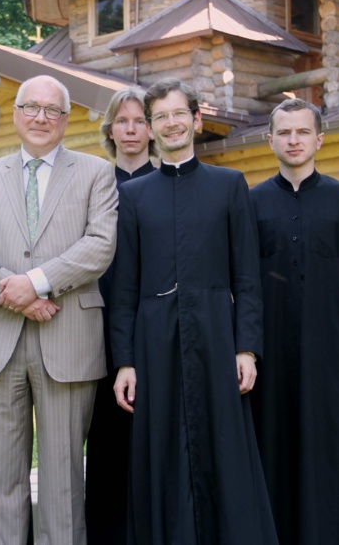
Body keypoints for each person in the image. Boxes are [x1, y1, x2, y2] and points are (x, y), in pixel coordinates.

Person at [0, 75, 117, 545]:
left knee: (64, 481)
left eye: (52, 110)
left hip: (69, 338)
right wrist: (16, 294)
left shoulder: (96, 173)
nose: (41, 117)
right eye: (31, 107)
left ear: (65, 119)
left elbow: (100, 245)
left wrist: (36, 283)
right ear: (17, 113)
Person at [111, 78, 277, 544]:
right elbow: (124, 287)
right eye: (160, 117)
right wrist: (124, 361)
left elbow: (247, 277)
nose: (171, 123)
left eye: (179, 114)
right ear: (150, 128)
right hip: (153, 341)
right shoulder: (134, 195)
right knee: (162, 448)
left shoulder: (229, 185)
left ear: (196, 119)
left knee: (224, 446)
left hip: (216, 335)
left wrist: (247, 348)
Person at [249, 99, 339, 544]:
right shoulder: (251, 203)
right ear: (270, 141)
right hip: (269, 354)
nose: (294, 140)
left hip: (333, 352)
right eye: (284, 133)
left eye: (303, 132)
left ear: (319, 139)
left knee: (332, 453)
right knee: (272, 451)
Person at [85, 87, 155, 545]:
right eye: (122, 122)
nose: (130, 130)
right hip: (96, 325)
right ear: (110, 130)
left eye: (139, 121)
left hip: (152, 327)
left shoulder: (167, 183)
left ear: (152, 129)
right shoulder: (92, 185)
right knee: (105, 439)